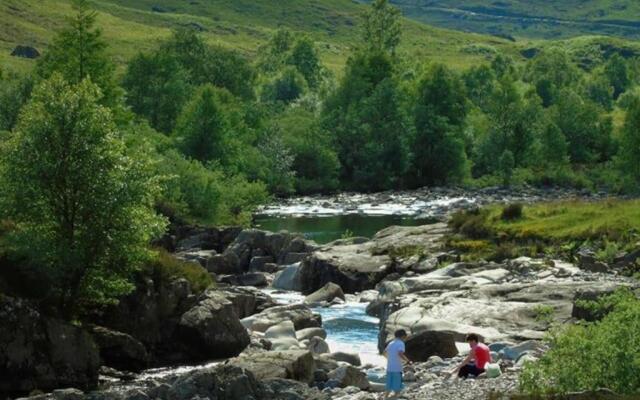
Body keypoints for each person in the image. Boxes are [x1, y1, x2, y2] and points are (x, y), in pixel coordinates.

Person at [384, 329, 411, 399]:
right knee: (397, 389)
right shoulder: (401, 343)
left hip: (389, 368)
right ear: (402, 336)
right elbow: (400, 353)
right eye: (405, 336)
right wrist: (407, 361)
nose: (406, 337)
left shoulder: (391, 343)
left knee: (388, 387)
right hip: (397, 369)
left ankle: (385, 398)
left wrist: (390, 359)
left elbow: (384, 352)